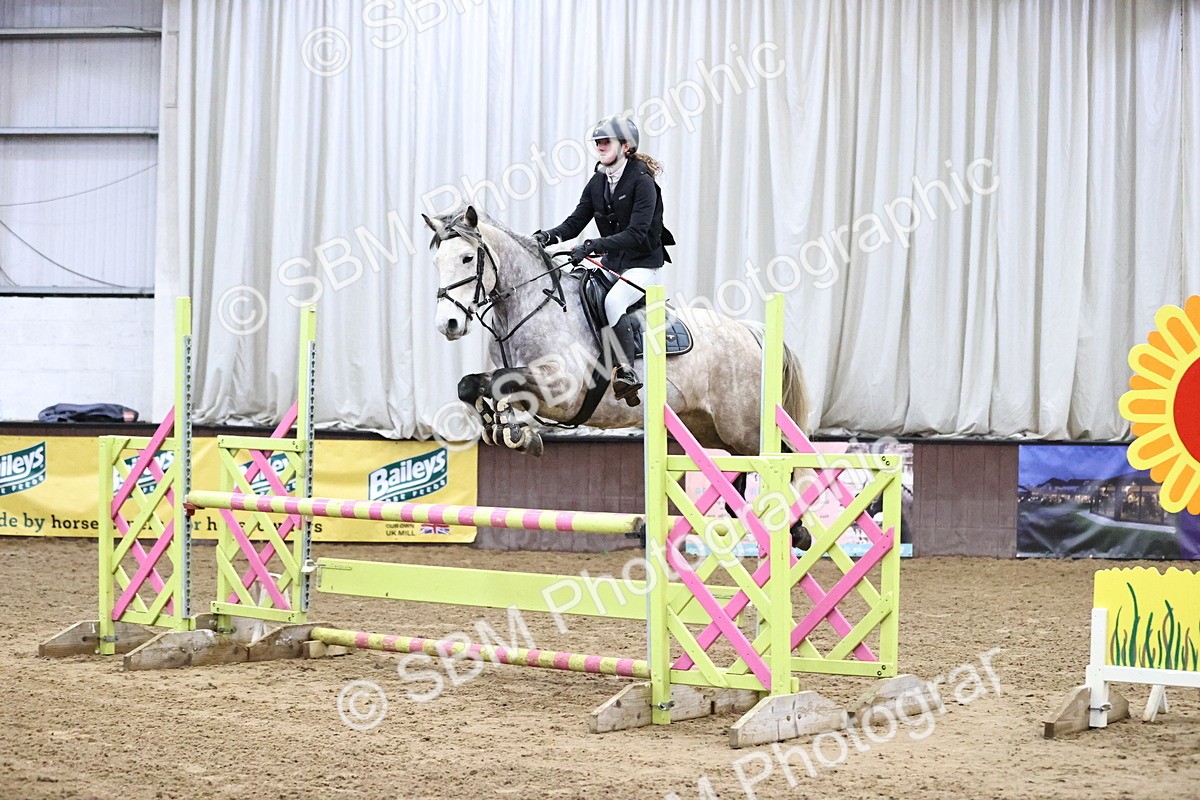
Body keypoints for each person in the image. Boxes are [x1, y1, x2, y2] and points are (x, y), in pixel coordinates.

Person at [533, 114, 671, 406]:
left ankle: (627, 372)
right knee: (577, 289)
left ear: (626, 146)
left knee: (613, 302)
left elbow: (636, 234)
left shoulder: (643, 183)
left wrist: (592, 245)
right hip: (613, 262)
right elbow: (574, 223)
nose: (600, 146)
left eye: (606, 141)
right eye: (598, 142)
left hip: (644, 265)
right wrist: (548, 237)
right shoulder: (598, 182)